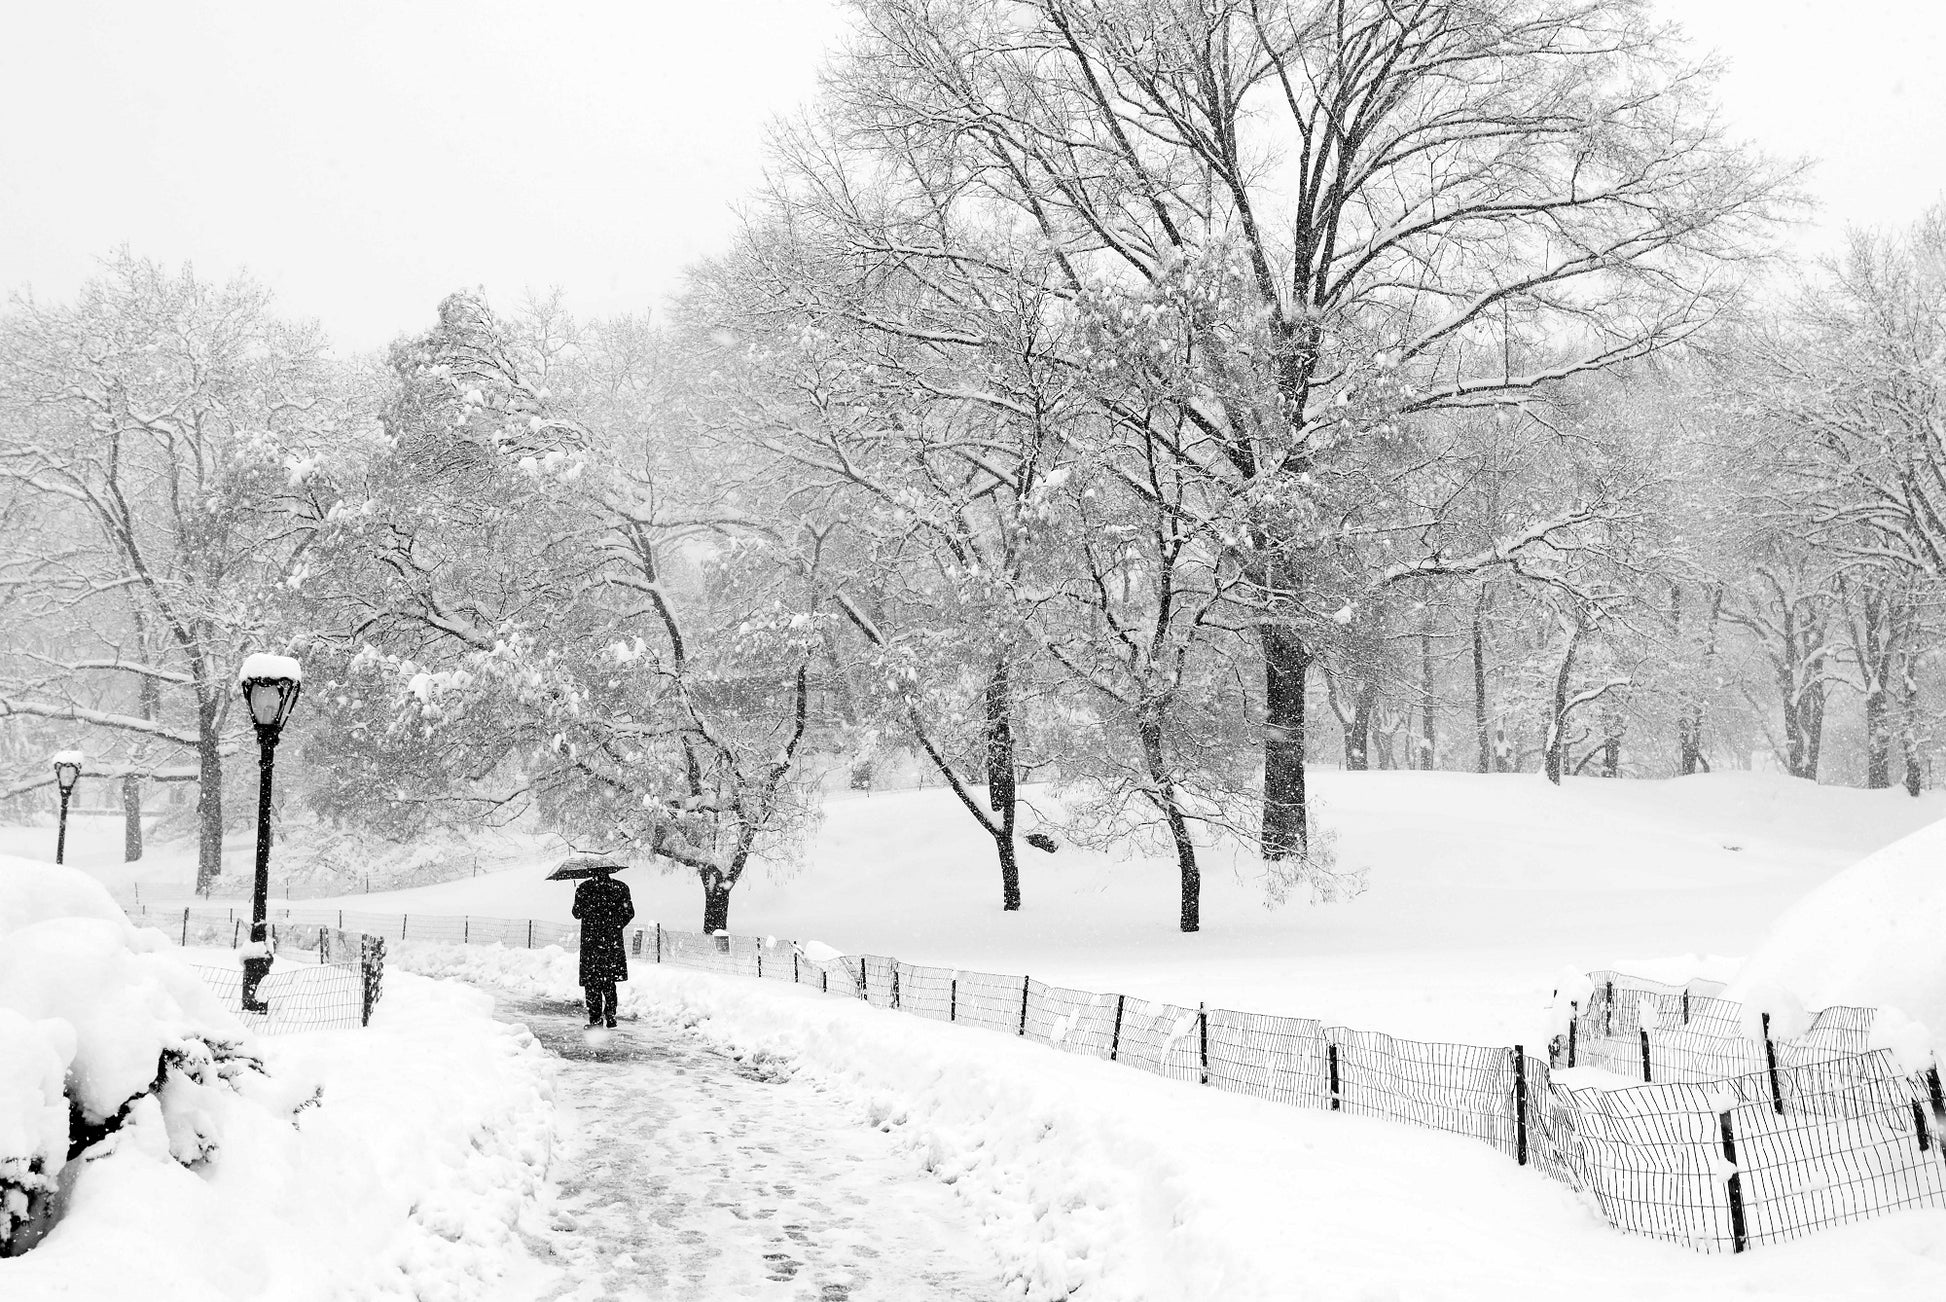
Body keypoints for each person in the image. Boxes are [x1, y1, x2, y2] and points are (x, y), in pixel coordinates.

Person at [572, 866, 635, 1028]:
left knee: (592, 983)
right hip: (611, 942)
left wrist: (581, 900)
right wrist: (615, 926)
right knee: (609, 980)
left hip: (590, 943)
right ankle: (611, 1014)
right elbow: (629, 913)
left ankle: (595, 1019)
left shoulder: (584, 888)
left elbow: (576, 913)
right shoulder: (620, 887)